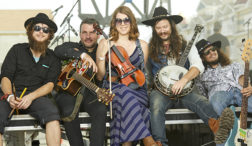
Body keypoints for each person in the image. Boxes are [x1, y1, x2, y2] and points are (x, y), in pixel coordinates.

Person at [142, 6, 234, 145]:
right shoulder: (149, 48)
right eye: (158, 28)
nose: (162, 30)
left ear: (171, 26)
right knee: (155, 106)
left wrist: (183, 80)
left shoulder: (185, 44)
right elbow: (143, 70)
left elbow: (198, 65)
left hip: (184, 89)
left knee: (201, 102)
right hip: (161, 92)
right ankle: (159, 143)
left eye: (165, 26)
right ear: (154, 29)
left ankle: (223, 135)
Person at [0, 13, 61, 146]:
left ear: (49, 35)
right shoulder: (16, 50)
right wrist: (9, 96)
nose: (41, 31)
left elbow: (49, 85)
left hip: (36, 97)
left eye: (45, 30)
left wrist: (30, 97)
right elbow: (5, 77)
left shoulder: (53, 58)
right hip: (11, 94)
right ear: (30, 31)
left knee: (52, 114)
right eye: (37, 28)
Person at [96, 6, 158, 146]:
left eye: (126, 20)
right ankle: (148, 140)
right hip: (113, 89)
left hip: (137, 90)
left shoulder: (142, 45)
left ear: (132, 22)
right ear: (114, 23)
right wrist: (101, 57)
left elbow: (139, 74)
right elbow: (100, 77)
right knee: (128, 97)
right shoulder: (105, 43)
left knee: (129, 101)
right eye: (119, 21)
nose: (123, 24)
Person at [54, 18, 107, 146]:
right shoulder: (73, 47)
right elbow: (58, 50)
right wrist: (83, 55)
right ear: (80, 34)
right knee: (68, 110)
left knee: (101, 109)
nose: (88, 36)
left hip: (91, 93)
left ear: (98, 34)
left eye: (92, 32)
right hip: (68, 93)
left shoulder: (102, 51)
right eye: (84, 32)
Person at [195, 39, 252, 116]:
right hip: (219, 94)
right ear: (202, 58)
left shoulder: (233, 65)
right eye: (207, 52)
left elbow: (241, 78)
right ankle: (233, 126)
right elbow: (203, 95)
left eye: (213, 49)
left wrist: (248, 87)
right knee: (216, 102)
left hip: (239, 91)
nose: (212, 52)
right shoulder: (200, 74)